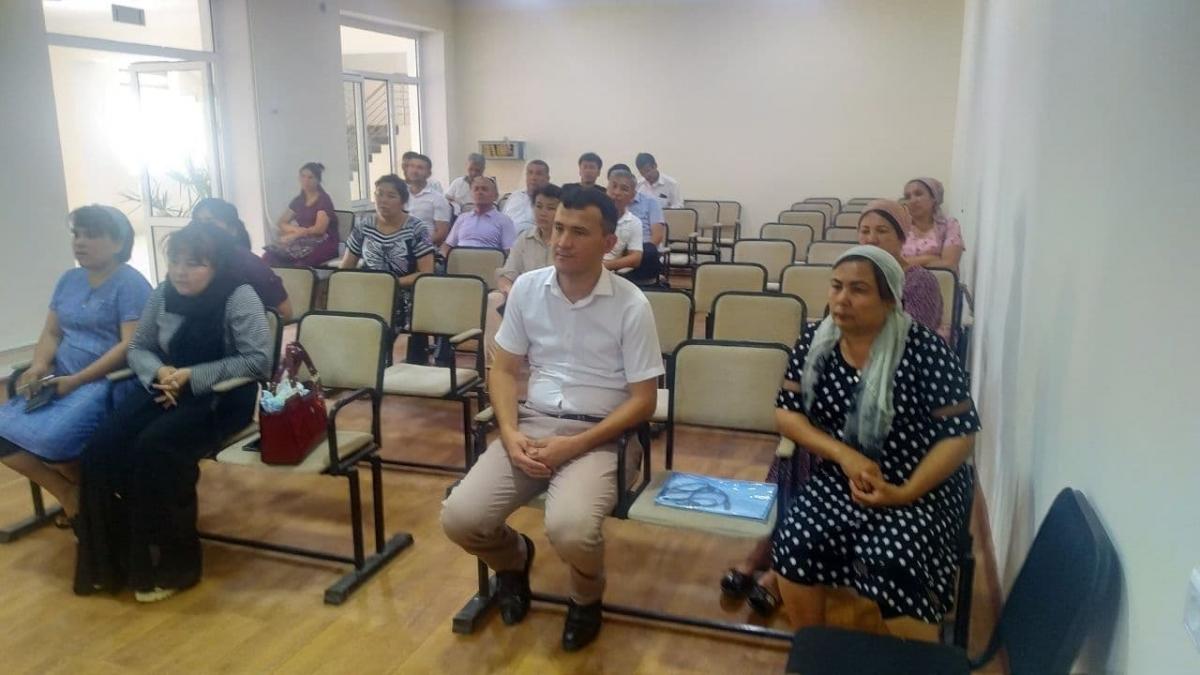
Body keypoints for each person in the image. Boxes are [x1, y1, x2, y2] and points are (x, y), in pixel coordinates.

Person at [441, 187, 663, 652]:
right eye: (559, 228)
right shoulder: (527, 288)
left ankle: (585, 597)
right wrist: (509, 431)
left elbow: (644, 401)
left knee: (571, 528)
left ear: (608, 243)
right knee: (460, 518)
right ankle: (513, 560)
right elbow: (503, 370)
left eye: (578, 232)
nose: (561, 241)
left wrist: (575, 445)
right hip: (533, 426)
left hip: (602, 437)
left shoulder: (631, 304)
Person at [769, 246, 979, 638]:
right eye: (836, 286)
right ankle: (814, 651)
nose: (842, 299)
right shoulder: (815, 342)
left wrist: (903, 492)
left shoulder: (924, 350)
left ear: (890, 300)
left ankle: (910, 661)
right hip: (844, 477)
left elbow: (960, 435)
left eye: (858, 289)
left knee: (891, 557)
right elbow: (787, 413)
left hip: (921, 486)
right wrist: (843, 455)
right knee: (795, 540)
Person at [74, 222, 271, 602]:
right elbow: (139, 348)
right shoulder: (164, 293)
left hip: (220, 397)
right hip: (164, 385)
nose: (181, 271)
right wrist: (161, 372)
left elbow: (257, 360)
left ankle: (175, 566)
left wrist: (192, 376)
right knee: (100, 448)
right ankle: (110, 561)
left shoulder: (238, 295)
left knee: (155, 447)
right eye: (175, 262)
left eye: (194, 263)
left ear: (216, 266)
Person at [0, 206, 151, 522]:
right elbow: (52, 332)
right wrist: (39, 365)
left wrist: (78, 380)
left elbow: (129, 346)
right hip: (60, 381)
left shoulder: (131, 284)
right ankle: (71, 495)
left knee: (54, 444)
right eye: (76, 234)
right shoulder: (69, 280)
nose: (80, 242)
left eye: (91, 235)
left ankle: (101, 502)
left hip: (108, 384)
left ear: (118, 242)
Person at [340, 174, 436, 364]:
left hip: (405, 293)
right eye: (379, 194)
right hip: (369, 291)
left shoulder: (417, 228)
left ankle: (383, 364)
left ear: (402, 201)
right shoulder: (364, 226)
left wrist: (390, 284)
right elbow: (346, 268)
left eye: (391, 196)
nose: (383, 200)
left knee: (387, 317)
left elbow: (426, 273)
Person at [486, 184, 561, 363]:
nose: (543, 213)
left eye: (551, 208)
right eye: (538, 206)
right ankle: (496, 365)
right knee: (494, 299)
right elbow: (507, 275)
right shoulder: (524, 239)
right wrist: (512, 292)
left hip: (556, 298)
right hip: (524, 298)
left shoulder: (566, 241)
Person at [193, 198, 293, 320]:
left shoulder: (249, 264)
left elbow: (285, 313)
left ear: (232, 230)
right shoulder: (191, 262)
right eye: (197, 223)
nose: (202, 229)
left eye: (209, 222)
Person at [856, 199, 942, 333]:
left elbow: (913, 334)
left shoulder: (920, 281)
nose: (871, 239)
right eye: (865, 231)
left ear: (902, 238)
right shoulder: (854, 276)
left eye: (882, 231)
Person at [263, 162, 339, 267]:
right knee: (269, 256)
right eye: (303, 176)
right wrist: (295, 230)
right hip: (304, 240)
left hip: (324, 242)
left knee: (300, 265)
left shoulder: (324, 200)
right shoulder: (298, 200)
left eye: (310, 177)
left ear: (318, 180)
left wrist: (297, 234)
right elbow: (281, 223)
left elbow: (319, 230)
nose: (306, 181)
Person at [901, 177, 964, 273]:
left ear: (934, 198)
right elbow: (893, 264)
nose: (912, 201)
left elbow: (949, 265)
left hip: (941, 282)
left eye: (918, 194)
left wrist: (909, 263)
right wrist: (929, 259)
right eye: (907, 197)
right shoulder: (900, 227)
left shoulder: (949, 225)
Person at [442, 177, 517, 256]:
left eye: (484, 189)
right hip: (460, 262)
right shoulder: (462, 218)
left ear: (495, 196)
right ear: (471, 194)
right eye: (476, 189)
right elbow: (447, 245)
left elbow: (509, 251)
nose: (479, 192)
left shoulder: (504, 221)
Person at [403, 153, 452, 247]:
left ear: (429, 174)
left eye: (420, 168)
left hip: (425, 248)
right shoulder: (401, 195)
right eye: (412, 166)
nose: (414, 171)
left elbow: (441, 233)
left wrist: (419, 246)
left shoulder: (438, 199)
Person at [602, 169, 645, 276]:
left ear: (632, 196)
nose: (617, 193)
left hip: (607, 271)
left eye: (624, 189)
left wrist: (605, 266)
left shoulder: (634, 222)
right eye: (613, 186)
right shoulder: (592, 214)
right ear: (607, 189)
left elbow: (636, 258)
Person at [502, 160, 551, 233]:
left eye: (538, 174)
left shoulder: (551, 201)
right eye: (530, 173)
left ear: (547, 178)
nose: (533, 178)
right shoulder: (515, 196)